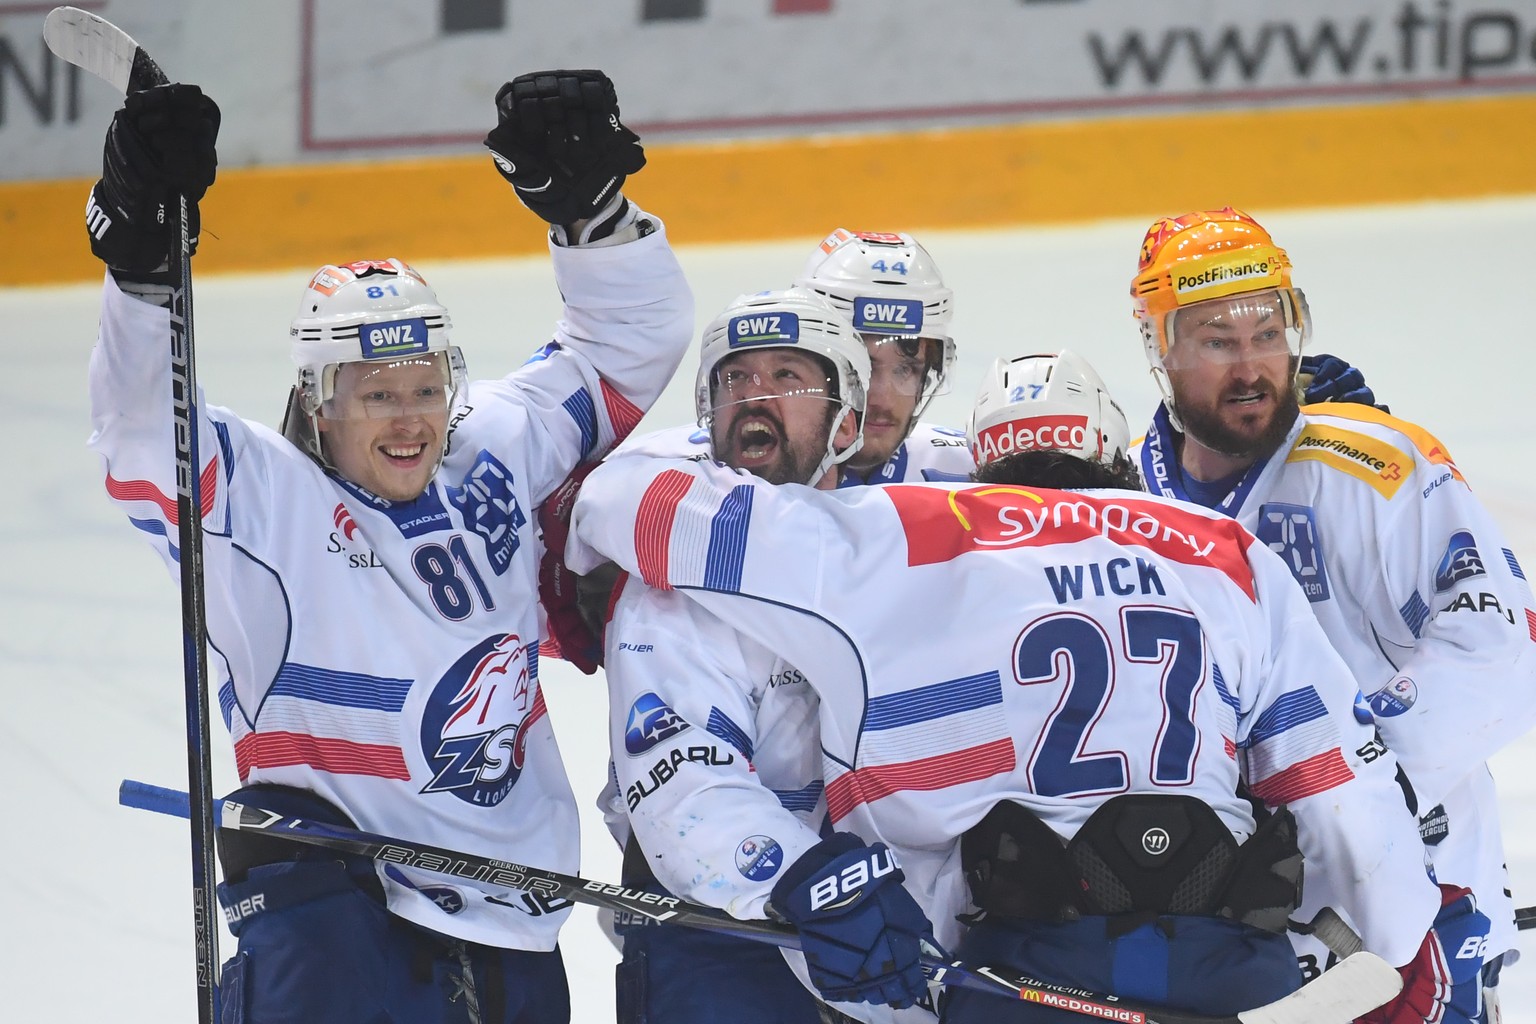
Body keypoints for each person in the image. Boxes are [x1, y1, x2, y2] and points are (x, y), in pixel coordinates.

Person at [560, 340, 1493, 1024]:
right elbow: (1343, 792)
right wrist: (1391, 937)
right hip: (1223, 970)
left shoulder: (899, 530)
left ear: (981, 461)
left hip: (994, 983)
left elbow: (628, 508)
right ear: (1120, 459)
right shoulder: (1225, 552)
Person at [85, 71, 693, 1022]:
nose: (407, 419)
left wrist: (595, 215)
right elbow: (137, 430)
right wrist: (140, 265)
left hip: (514, 904)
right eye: (375, 394)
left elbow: (625, 342)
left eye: (422, 387)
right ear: (320, 404)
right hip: (337, 906)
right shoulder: (267, 502)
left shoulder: (489, 447)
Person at [1126, 207, 1535, 1021]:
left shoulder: (1374, 465)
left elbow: (1501, 640)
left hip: (1417, 894)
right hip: (1212, 907)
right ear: (1159, 348)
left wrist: (1354, 780)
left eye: (1266, 332)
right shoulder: (1125, 497)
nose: (1250, 365)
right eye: (1216, 339)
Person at [591, 288, 930, 1024]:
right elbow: (682, 781)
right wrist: (801, 873)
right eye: (735, 380)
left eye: (787, 377)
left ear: (846, 416)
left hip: (890, 925)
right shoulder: (672, 582)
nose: (755, 396)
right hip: (721, 936)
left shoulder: (901, 544)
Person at [613, 228, 972, 485]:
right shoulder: (672, 473)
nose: (879, 398)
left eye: (906, 369)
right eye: (860, 369)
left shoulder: (964, 470)